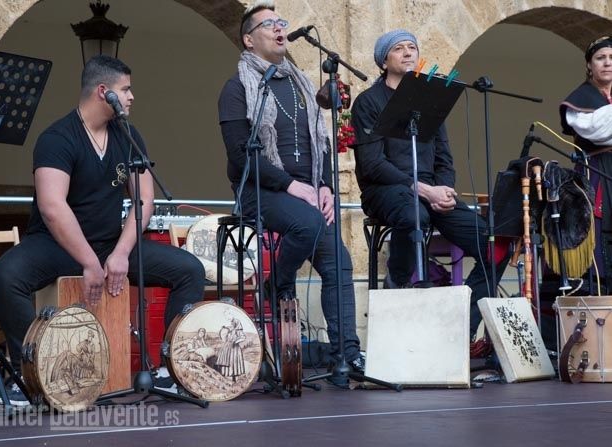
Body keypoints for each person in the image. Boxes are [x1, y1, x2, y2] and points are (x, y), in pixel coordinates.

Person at [0, 55, 206, 405]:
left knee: (189, 270)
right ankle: (27, 377)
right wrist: (89, 262)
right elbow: (52, 207)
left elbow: (144, 200)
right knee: (6, 275)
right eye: (126, 89)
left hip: (109, 244)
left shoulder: (128, 136)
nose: (132, 96)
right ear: (103, 92)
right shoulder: (57, 138)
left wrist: (120, 253)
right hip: (57, 245)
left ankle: (170, 371)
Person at [217, 1, 364, 375]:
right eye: (269, 25)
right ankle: (279, 282)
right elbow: (240, 155)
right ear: (249, 40)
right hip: (260, 191)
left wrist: (325, 186)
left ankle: (346, 355)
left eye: (281, 22)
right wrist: (291, 185)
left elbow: (323, 143)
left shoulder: (301, 84)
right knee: (309, 224)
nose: (279, 28)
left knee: (339, 262)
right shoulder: (237, 88)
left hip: (308, 192)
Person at [350, 29, 506, 338]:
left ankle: (462, 323)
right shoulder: (368, 101)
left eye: (412, 47)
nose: (408, 52)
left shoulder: (428, 100)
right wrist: (423, 190)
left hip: (432, 191)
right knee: (415, 216)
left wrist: (444, 190)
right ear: (384, 61)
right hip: (385, 190)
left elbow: (444, 158)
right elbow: (372, 164)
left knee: (493, 244)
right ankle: (396, 285)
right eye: (399, 48)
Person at [560, 36, 612, 292]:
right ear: (590, 65)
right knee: (599, 235)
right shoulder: (580, 99)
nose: (608, 63)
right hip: (596, 172)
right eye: (601, 58)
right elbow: (597, 131)